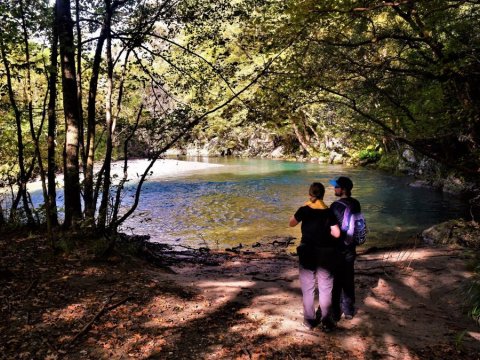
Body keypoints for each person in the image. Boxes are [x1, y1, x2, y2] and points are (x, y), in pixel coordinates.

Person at [289, 182, 341, 332]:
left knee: (308, 288)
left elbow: (291, 223)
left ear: (310, 194)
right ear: (323, 195)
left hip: (307, 251)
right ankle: (326, 320)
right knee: (325, 287)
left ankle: (309, 320)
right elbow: (337, 234)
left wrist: (304, 208)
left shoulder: (304, 209)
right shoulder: (328, 211)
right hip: (326, 252)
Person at [329, 176, 361, 320]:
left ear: (342, 189)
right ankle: (348, 310)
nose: (334, 188)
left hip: (337, 248)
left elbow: (331, 229)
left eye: (336, 187)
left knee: (336, 281)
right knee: (348, 277)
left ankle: (335, 312)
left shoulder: (335, 206)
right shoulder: (356, 203)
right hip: (351, 246)